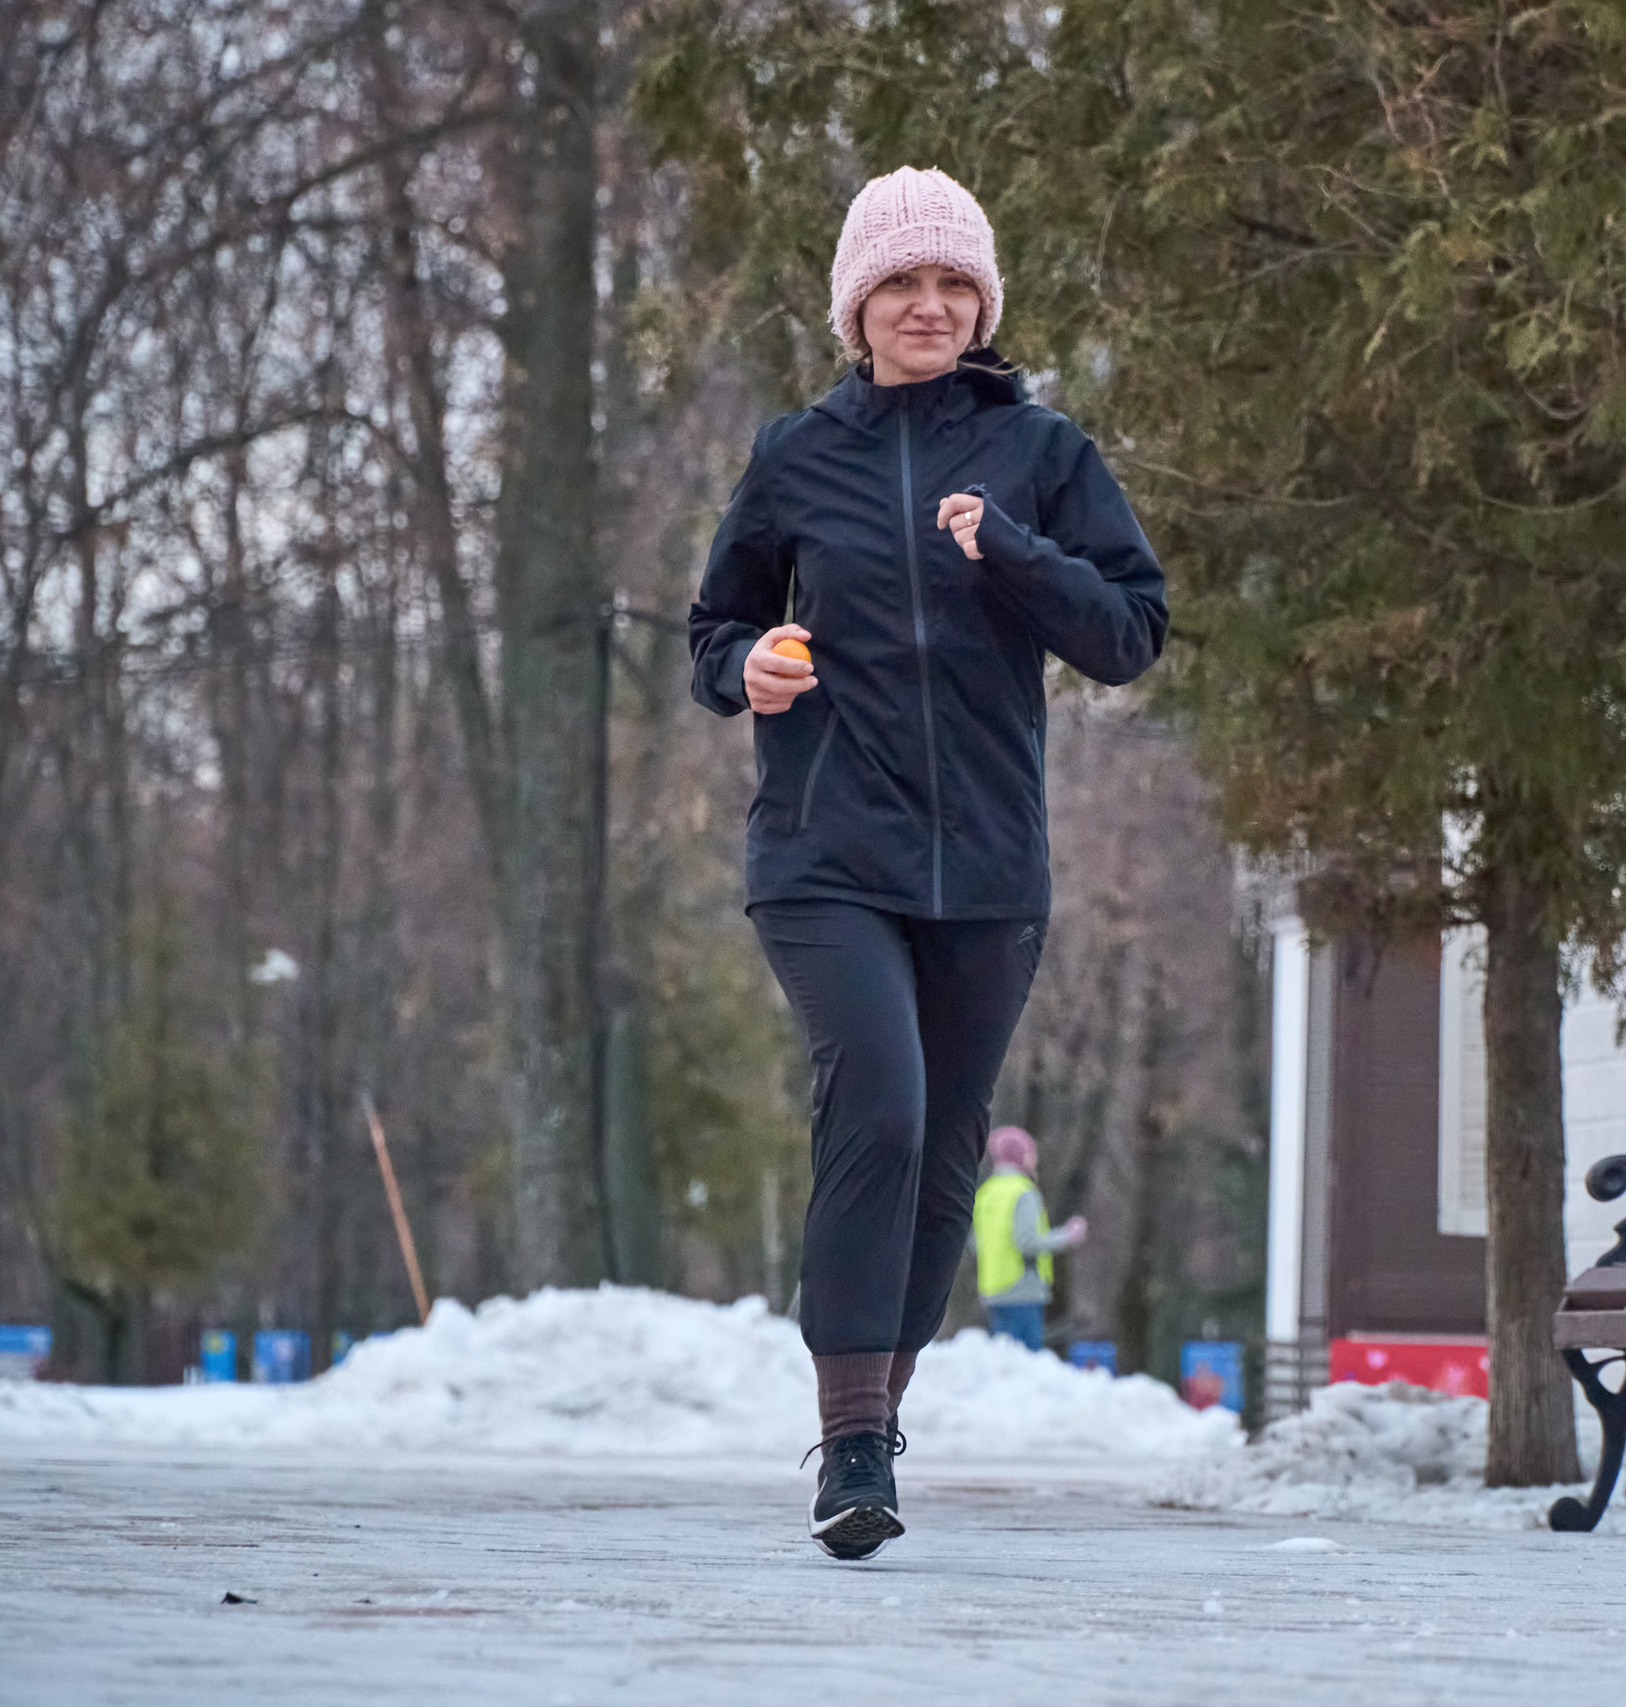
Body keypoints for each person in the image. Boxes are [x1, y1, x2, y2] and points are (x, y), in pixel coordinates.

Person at [688, 166, 1167, 1560]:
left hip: (992, 872)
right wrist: (749, 666)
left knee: (947, 1155)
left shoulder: (1039, 454)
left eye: (954, 283)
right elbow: (716, 628)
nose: (931, 305)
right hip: (827, 850)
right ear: (857, 306)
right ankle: (845, 1429)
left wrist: (1011, 552)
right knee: (881, 1108)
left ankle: (873, 1441)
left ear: (983, 302)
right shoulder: (797, 456)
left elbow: (1131, 632)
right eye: (903, 283)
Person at [971, 1125, 1085, 1352]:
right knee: (1025, 1366)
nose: (1034, 1160)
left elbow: (975, 1244)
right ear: (1020, 1156)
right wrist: (1068, 1236)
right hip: (1023, 1290)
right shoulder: (1023, 1192)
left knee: (1003, 1364)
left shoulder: (985, 1192)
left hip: (993, 1287)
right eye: (1031, 1154)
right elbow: (1028, 1243)